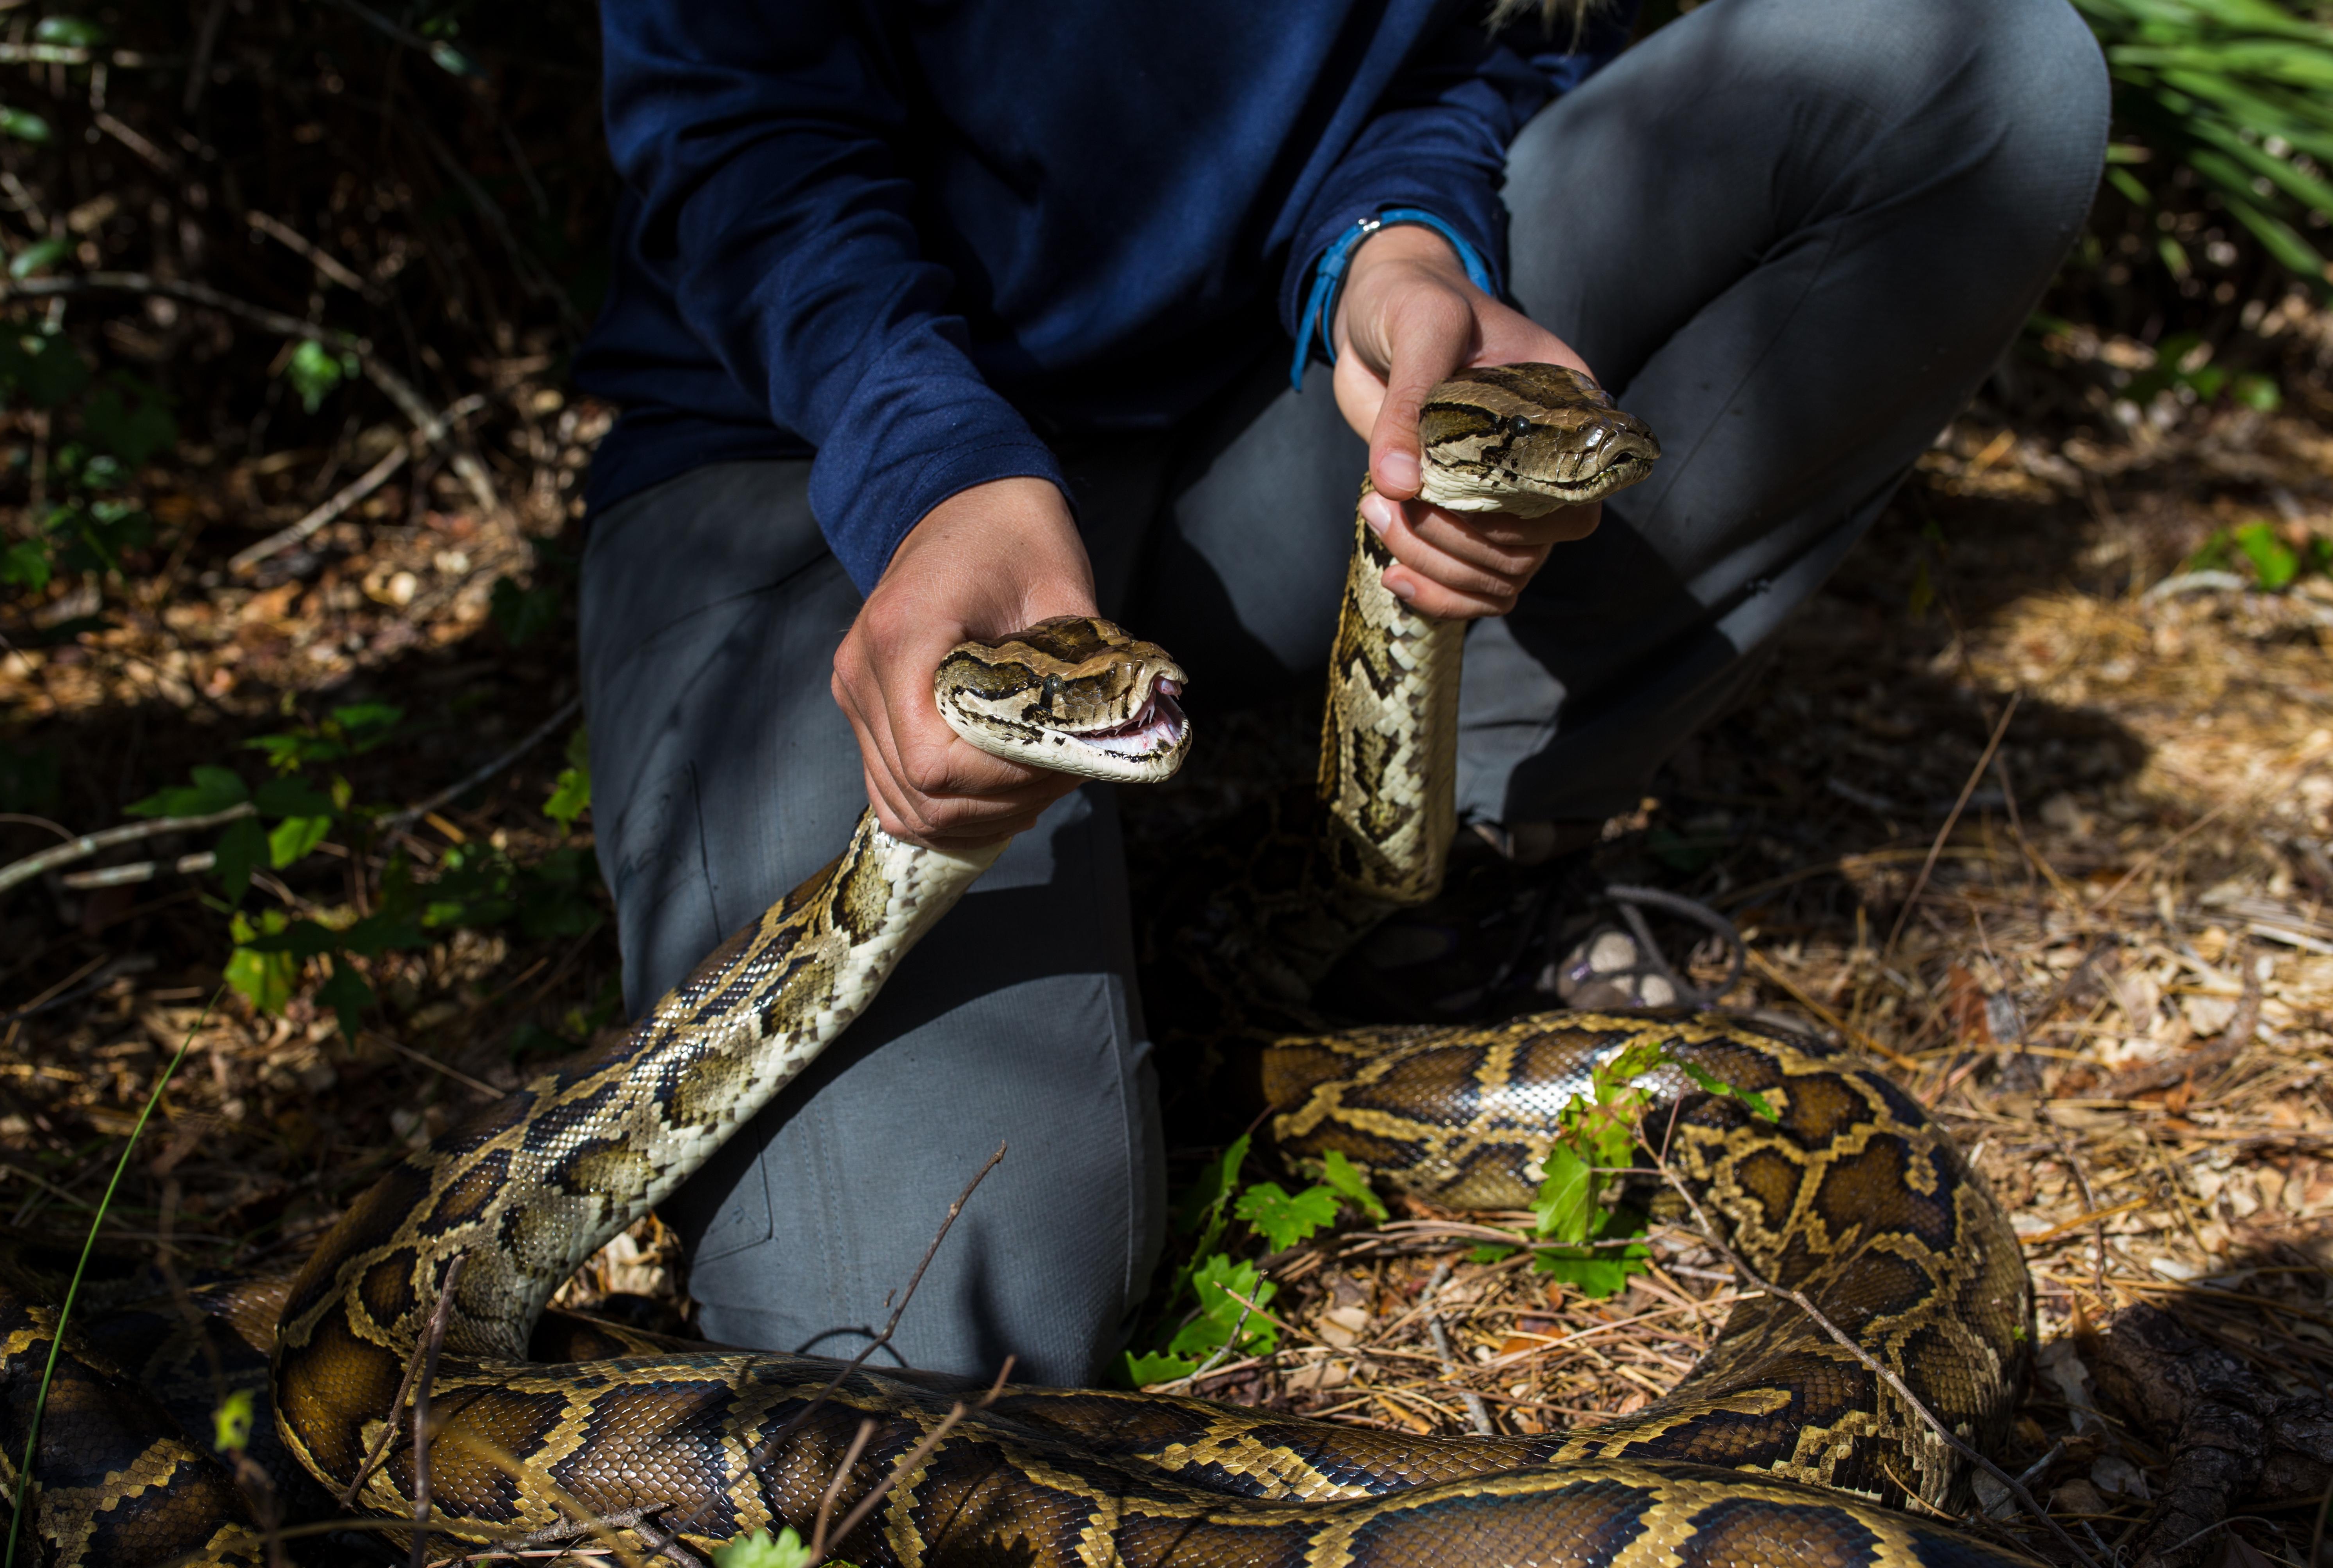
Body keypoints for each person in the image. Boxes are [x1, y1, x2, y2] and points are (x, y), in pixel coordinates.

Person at [572, 0, 2108, 1385]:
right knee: (909, 1346)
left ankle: (1453, 871)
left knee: (1981, 71)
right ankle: (1156, 930)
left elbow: (1440, 60)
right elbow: (736, 131)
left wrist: (1404, 250)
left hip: (1261, 409)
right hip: (825, 461)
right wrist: (931, 471)